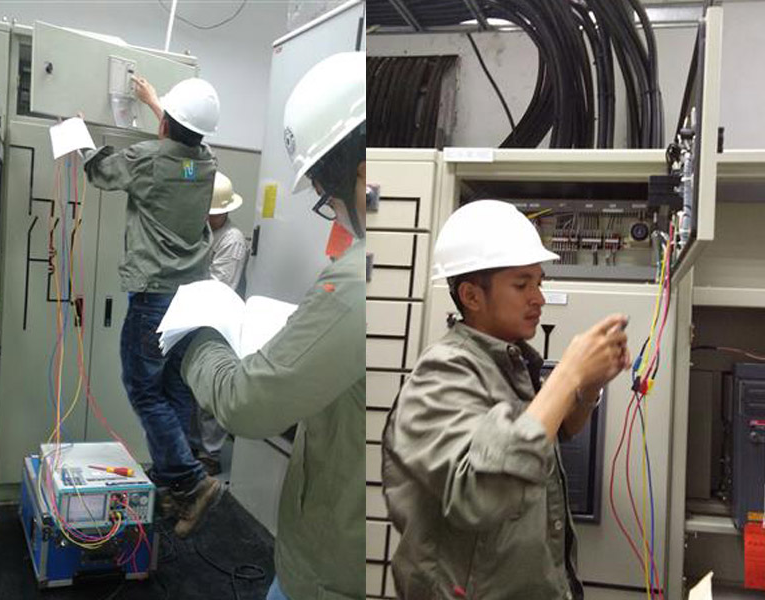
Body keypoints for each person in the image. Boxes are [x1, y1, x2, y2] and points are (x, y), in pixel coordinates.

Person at [179, 51, 365, 600]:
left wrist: (196, 334)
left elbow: (246, 404)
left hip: (332, 575)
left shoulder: (355, 280)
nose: (330, 211)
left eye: (325, 197)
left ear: (361, 176)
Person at [382, 200, 631, 600]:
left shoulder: (507, 362)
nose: (539, 298)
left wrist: (587, 389)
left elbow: (552, 431)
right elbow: (479, 493)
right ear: (471, 296)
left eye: (539, 282)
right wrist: (568, 374)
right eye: (521, 285)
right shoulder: (442, 373)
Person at [82, 75, 223, 538]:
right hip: (191, 297)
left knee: (143, 389)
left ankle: (191, 481)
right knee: (176, 390)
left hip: (154, 297)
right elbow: (185, 140)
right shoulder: (207, 164)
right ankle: (171, 485)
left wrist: (78, 136)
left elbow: (101, 172)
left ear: (165, 127)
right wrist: (158, 104)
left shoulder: (147, 159)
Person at [189, 172, 248, 475]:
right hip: (194, 316)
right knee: (189, 385)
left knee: (210, 389)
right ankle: (191, 448)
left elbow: (219, 286)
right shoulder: (202, 230)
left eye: (213, 213)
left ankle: (210, 454)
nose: (208, 217)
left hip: (216, 321)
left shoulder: (232, 240)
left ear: (225, 210)